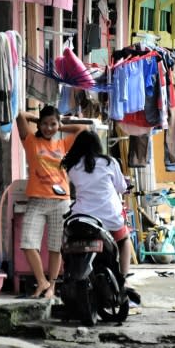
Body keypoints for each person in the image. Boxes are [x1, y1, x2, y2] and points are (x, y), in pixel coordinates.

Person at [60, 130, 140, 304]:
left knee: (66, 243)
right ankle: (124, 279)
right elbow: (120, 187)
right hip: (109, 216)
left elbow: (73, 189)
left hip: (81, 217)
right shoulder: (109, 162)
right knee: (124, 240)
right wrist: (126, 186)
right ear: (98, 145)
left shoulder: (72, 166)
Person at [16, 105, 87, 299]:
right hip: (37, 201)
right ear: (39, 124)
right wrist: (39, 121)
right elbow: (21, 116)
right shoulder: (31, 141)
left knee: (55, 247)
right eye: (45, 124)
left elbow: (83, 130)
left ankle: (51, 287)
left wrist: (60, 125)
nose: (48, 128)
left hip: (60, 201)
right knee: (28, 243)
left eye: (52, 124)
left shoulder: (62, 145)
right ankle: (42, 281)